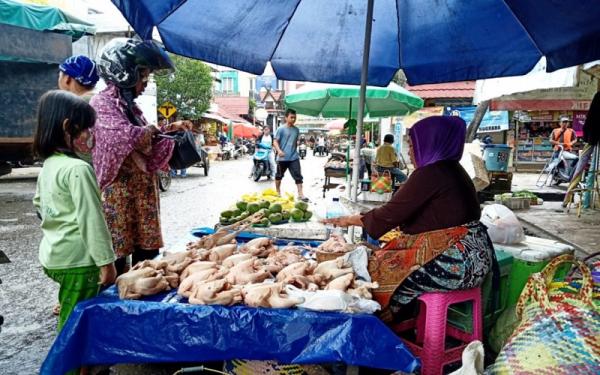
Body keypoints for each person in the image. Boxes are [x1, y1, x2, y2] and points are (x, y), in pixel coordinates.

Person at [322, 116, 494, 319]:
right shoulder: (455, 171)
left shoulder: (431, 173)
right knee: (378, 257)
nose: (411, 152)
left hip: (454, 263)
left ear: (431, 143)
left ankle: (375, 325)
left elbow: (388, 215)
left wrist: (347, 220)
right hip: (476, 260)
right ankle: (407, 323)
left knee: (369, 273)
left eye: (413, 145)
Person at [91, 38, 189, 274]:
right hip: (119, 196)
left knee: (146, 260)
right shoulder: (102, 103)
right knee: (118, 256)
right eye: (142, 76)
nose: (145, 83)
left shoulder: (131, 108)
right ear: (123, 73)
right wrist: (150, 132)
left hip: (142, 195)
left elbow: (145, 137)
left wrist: (168, 130)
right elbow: (120, 137)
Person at [33, 91, 117, 331]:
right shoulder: (78, 169)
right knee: (74, 326)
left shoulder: (50, 165)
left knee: (70, 306)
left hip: (55, 256)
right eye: (86, 129)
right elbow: (92, 220)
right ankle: (68, 366)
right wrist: (107, 263)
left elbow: (39, 205)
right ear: (68, 127)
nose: (90, 136)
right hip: (79, 263)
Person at [273, 109, 308, 201]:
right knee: (279, 175)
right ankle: (277, 192)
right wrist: (279, 151)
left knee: (298, 175)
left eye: (294, 118)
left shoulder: (296, 130)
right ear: (286, 118)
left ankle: (300, 194)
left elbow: (295, 143)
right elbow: (275, 141)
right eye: (291, 117)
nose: (293, 119)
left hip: (293, 157)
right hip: (282, 158)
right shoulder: (280, 129)